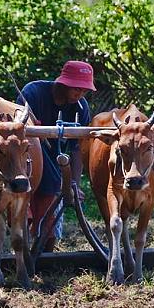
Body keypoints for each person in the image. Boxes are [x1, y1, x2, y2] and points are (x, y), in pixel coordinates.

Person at [17, 60, 96, 252]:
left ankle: (44, 241)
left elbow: (77, 149)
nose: (80, 94)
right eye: (76, 89)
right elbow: (18, 134)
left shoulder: (80, 108)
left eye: (84, 91)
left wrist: (74, 184)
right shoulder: (32, 93)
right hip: (26, 160)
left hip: (56, 163)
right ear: (63, 83)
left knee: (50, 220)